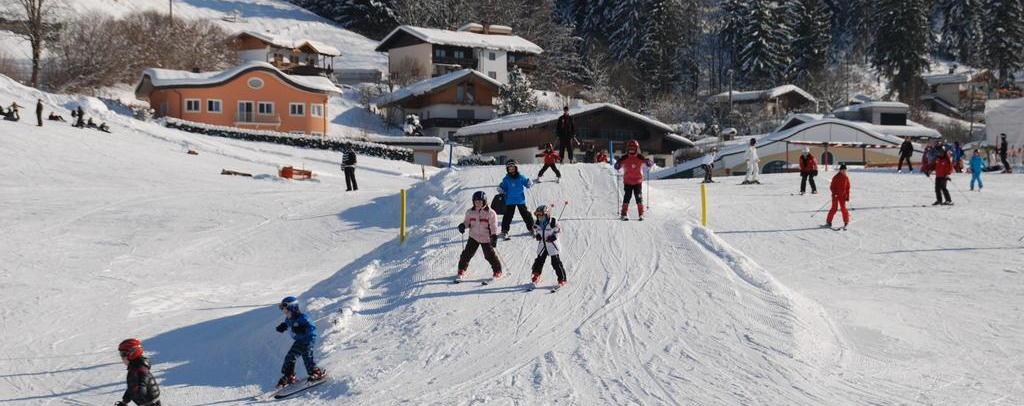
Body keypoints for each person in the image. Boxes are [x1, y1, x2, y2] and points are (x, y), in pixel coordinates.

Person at [274, 297, 326, 388]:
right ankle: (290, 375)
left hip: (308, 340)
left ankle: (316, 372)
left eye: (286, 310)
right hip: (299, 341)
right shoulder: (289, 319)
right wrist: (283, 326)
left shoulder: (303, 318)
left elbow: (312, 328)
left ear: (293, 308)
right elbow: (288, 324)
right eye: (283, 310)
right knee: (292, 356)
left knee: (305, 356)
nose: (284, 312)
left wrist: (303, 329)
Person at [456, 191, 502, 282]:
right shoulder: (470, 212)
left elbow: (493, 226)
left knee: (489, 255)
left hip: (486, 238)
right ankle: (461, 270)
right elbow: (467, 222)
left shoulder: (491, 213)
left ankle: (497, 271)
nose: (478, 203)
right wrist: (463, 226)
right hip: (474, 236)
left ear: (484, 201)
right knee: (466, 254)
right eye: (476, 201)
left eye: (480, 201)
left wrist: (494, 236)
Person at [530, 204, 567, 290]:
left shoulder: (553, 222)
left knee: (556, 262)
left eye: (542, 216)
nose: (540, 218)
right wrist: (537, 235)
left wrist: (553, 237)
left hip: (552, 245)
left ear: (547, 215)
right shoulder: (537, 223)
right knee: (539, 261)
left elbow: (558, 230)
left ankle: (562, 279)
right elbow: (536, 230)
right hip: (543, 245)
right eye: (538, 216)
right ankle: (536, 275)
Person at [614, 139, 653, 221]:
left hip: (637, 181)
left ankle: (641, 214)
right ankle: (623, 214)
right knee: (627, 197)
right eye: (630, 148)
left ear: (637, 149)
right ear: (627, 149)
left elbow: (649, 162)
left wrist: (648, 162)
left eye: (633, 148)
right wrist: (617, 165)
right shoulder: (624, 158)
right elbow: (617, 165)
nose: (632, 149)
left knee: (638, 197)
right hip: (628, 181)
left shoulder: (640, 157)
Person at [115, 338, 161, 406]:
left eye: (123, 354)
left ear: (133, 353)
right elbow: (132, 387)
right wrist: (125, 401)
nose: (121, 357)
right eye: (120, 354)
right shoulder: (135, 368)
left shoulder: (140, 370)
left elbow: (140, 392)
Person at [497, 160, 534, 239]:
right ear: (507, 170)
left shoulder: (521, 177)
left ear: (516, 168)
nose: (511, 170)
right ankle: (504, 231)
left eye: (513, 168)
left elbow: (526, 183)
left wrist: (529, 183)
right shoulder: (506, 179)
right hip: (510, 200)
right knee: (508, 216)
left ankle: (532, 228)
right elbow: (503, 187)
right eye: (509, 169)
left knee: (526, 214)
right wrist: (501, 188)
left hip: (520, 200)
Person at [824, 164, 851, 229]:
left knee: (843, 208)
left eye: (845, 170)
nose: (844, 171)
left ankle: (846, 221)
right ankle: (828, 221)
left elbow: (847, 188)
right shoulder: (836, 177)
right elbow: (832, 187)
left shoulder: (846, 178)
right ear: (840, 170)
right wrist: (834, 193)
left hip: (843, 196)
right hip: (835, 196)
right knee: (834, 208)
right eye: (842, 170)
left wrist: (847, 196)